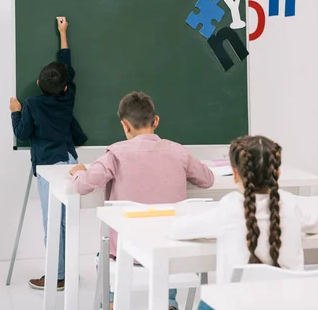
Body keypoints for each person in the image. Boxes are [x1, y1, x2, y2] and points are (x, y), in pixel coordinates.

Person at [69, 91, 214, 310]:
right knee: (164, 245)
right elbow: (207, 179)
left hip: (126, 253)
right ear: (155, 121)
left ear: (125, 126)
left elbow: (82, 185)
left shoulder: (115, 154)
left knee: (105, 249)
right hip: (169, 254)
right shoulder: (179, 152)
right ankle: (168, 302)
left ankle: (111, 302)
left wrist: (79, 171)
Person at [168, 135, 318, 302]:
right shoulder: (291, 204)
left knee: (210, 299)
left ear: (235, 174)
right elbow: (316, 224)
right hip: (288, 304)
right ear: (277, 173)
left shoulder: (229, 207)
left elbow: (177, 230)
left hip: (233, 304)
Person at [10, 16, 87, 291]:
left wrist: (14, 111)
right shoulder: (68, 97)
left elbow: (22, 133)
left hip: (48, 168)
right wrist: (63, 33)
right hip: (69, 161)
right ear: (65, 87)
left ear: (37, 82)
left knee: (52, 222)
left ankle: (57, 277)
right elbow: (67, 67)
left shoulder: (31, 104)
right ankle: (65, 271)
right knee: (66, 220)